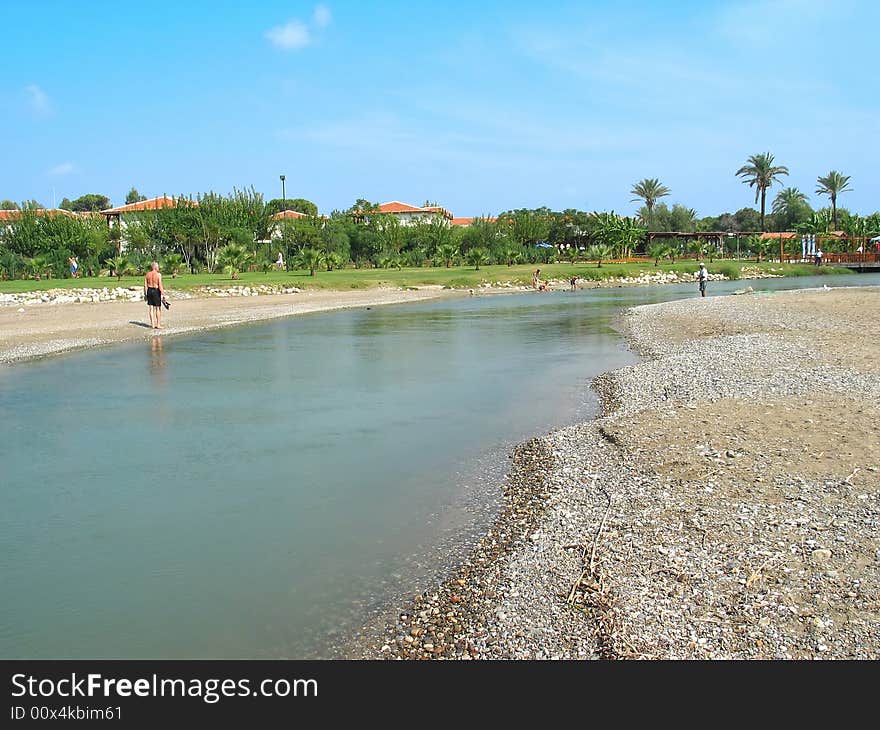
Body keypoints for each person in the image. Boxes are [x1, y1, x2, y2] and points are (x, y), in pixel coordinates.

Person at [144, 261, 165, 329]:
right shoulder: (158, 275)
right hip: (156, 291)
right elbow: (160, 285)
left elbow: (145, 285)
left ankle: (152, 324)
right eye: (158, 266)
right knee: (158, 308)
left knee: (151, 308)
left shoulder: (147, 274)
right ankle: (158, 324)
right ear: (155, 267)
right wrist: (163, 294)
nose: (158, 268)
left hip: (149, 290)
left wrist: (145, 294)